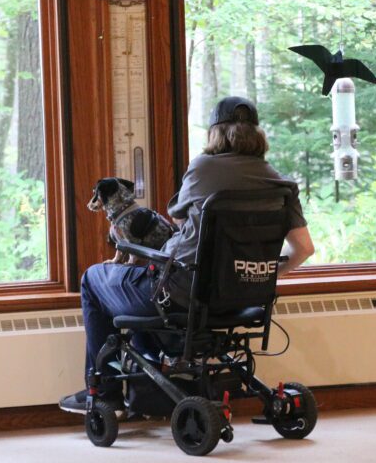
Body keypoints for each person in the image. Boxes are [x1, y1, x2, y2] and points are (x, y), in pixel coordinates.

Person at [59, 96, 315, 413]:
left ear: (215, 134)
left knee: (93, 279)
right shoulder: (281, 183)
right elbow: (304, 249)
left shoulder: (203, 168)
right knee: (145, 289)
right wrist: (260, 273)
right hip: (244, 299)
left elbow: (177, 216)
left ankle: (105, 394)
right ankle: (155, 375)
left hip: (178, 294)